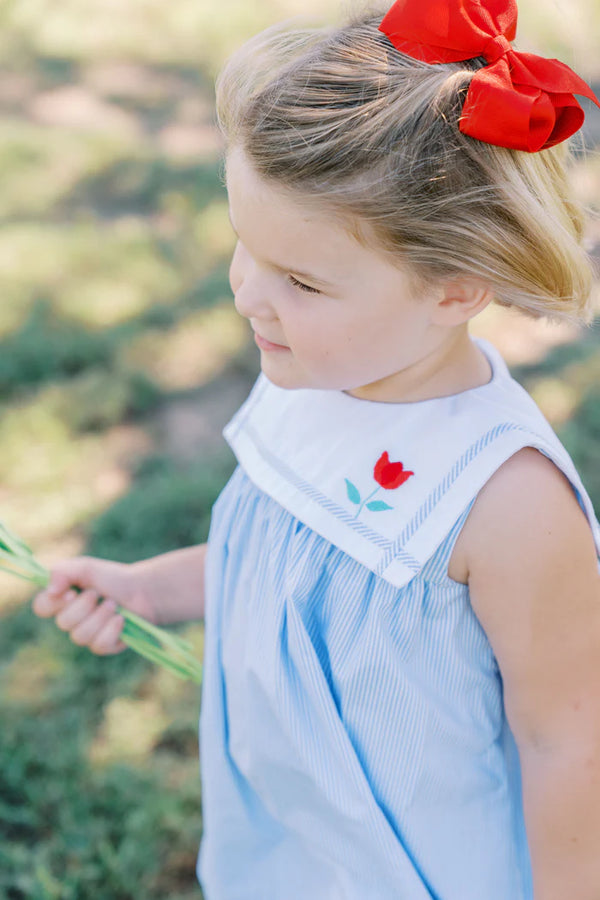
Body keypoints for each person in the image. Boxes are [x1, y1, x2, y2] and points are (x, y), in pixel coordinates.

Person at [33, 0, 600, 897]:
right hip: (291, 840)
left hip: (426, 867)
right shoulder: (307, 376)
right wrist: (152, 588)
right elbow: (288, 569)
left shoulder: (509, 505)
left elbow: (568, 739)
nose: (250, 297)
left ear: (454, 288)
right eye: (245, 249)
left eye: (299, 279)